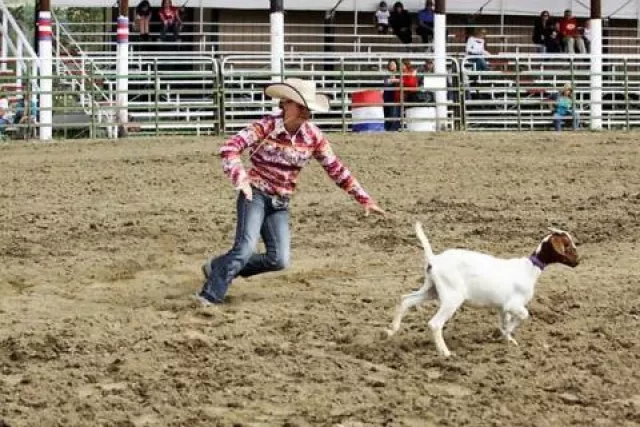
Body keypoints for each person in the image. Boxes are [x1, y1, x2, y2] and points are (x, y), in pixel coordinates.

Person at [196, 78, 385, 305]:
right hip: (254, 193)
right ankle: (210, 295)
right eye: (301, 106)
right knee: (244, 248)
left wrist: (363, 198)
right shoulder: (266, 126)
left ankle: (218, 266)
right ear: (286, 104)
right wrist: (241, 179)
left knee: (279, 260)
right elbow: (230, 148)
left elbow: (335, 168)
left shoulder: (313, 136)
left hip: (280, 201)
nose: (306, 112)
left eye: (308, 108)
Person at [383, 59, 400, 131]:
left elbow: (401, 81)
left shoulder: (399, 74)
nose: (392, 66)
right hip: (387, 96)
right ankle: (388, 129)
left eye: (393, 64)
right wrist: (394, 80)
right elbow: (386, 82)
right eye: (390, 65)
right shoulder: (387, 74)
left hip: (395, 97)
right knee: (387, 114)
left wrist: (392, 80)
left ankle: (393, 129)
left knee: (394, 114)